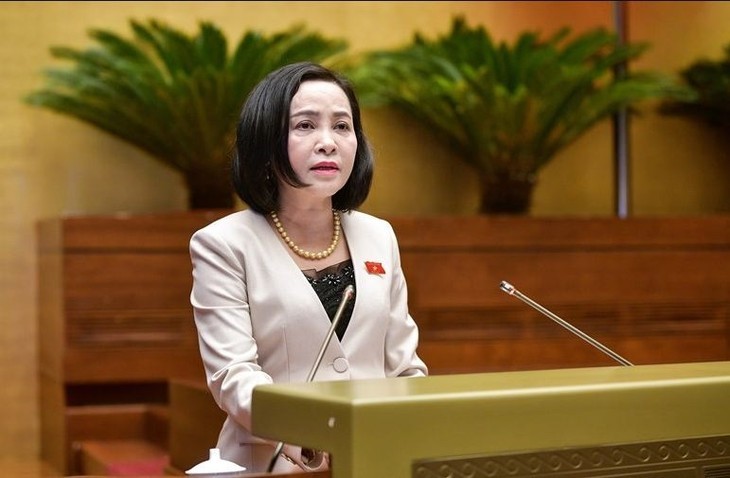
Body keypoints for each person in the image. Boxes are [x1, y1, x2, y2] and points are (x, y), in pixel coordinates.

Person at [189, 61, 428, 473]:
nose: (328, 142)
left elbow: (404, 367)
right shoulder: (223, 244)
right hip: (276, 462)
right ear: (266, 142)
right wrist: (296, 430)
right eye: (305, 126)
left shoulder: (379, 236)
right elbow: (233, 375)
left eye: (341, 126)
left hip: (374, 459)